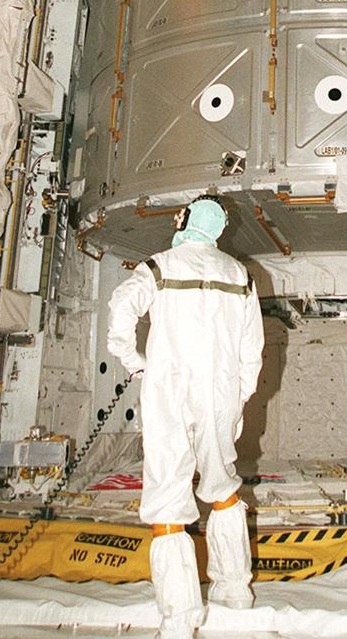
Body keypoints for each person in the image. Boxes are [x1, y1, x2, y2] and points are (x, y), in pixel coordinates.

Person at [107, 197, 264, 639]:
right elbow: (251, 352)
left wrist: (134, 360)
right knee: (223, 486)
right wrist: (238, 400)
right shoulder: (240, 276)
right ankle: (235, 591)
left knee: (168, 497)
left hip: (169, 392)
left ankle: (179, 619)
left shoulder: (159, 266)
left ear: (188, 220)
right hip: (221, 397)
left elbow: (121, 307)